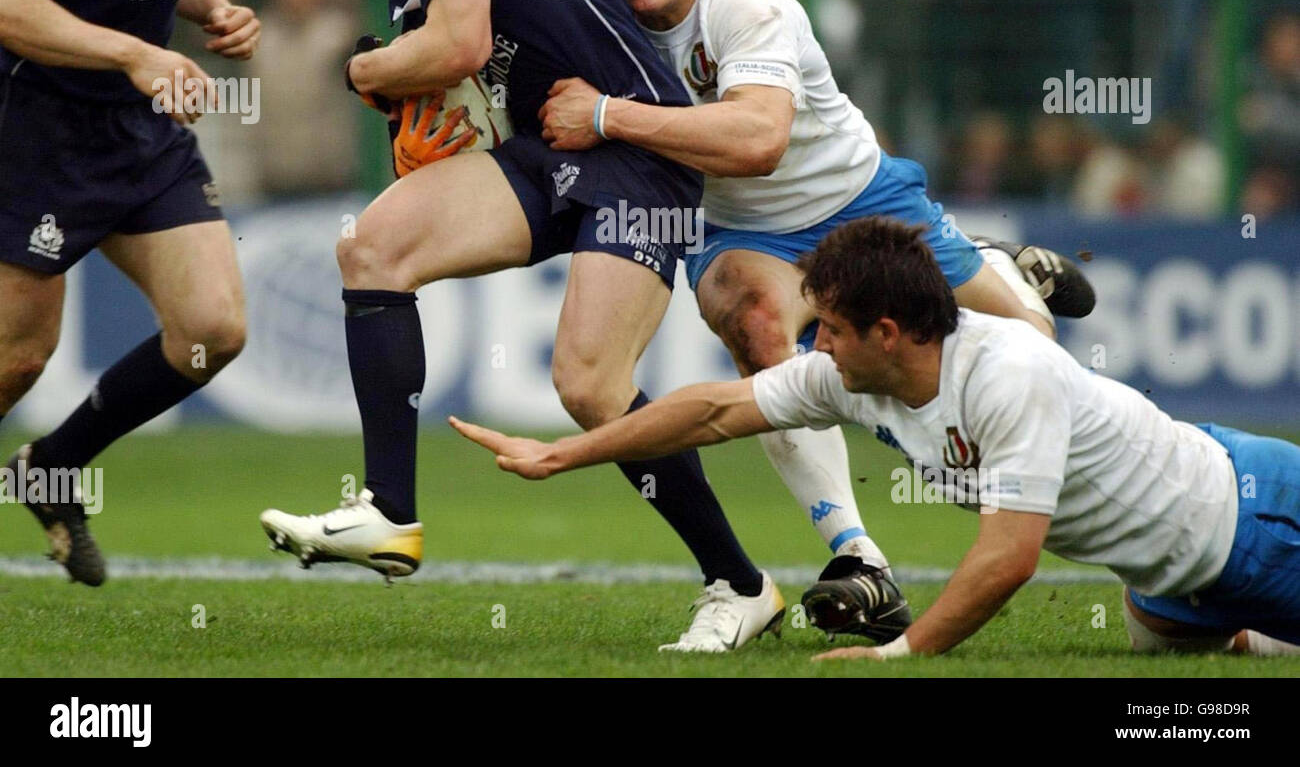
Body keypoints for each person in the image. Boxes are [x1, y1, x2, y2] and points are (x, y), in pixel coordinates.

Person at [260, 0, 781, 653]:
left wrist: (365, 68)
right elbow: (472, 108)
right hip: (547, 151)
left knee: (588, 384)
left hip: (633, 146)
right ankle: (388, 513)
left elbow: (460, 48)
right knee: (373, 245)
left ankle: (740, 583)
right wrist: (421, 128)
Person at [548, 0, 1093, 637]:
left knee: (1033, 348)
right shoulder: (603, 22)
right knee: (756, 324)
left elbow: (759, 139)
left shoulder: (749, 3)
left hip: (860, 199)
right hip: (742, 229)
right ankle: (859, 557)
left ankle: (995, 267)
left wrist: (603, 115)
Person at [452, 216, 1300, 660]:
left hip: (1260, 520)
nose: (812, 346)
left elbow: (1010, 560)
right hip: (1168, 586)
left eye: (828, 328)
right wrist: (562, 452)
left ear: (888, 330)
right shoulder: (854, 375)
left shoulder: (1008, 374)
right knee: (1171, 651)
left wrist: (902, 651)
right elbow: (712, 409)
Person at [0, 0, 258, 585]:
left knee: (212, 329)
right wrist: (136, 54)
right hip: (39, 129)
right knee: (18, 359)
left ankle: (51, 467)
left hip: (141, 135)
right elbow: (9, 4)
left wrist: (216, 8)